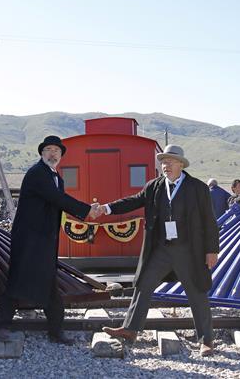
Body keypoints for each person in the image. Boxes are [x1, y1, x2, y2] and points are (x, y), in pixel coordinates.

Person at [90, 144, 220, 356]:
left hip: (189, 251)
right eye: (162, 162)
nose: (165, 165)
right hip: (161, 249)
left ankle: (206, 340)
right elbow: (132, 201)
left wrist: (212, 250)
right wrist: (106, 208)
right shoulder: (154, 186)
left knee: (197, 292)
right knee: (143, 284)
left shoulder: (197, 188)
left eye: (169, 161)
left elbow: (209, 221)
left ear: (180, 164)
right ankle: (130, 330)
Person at [0, 135, 92, 345]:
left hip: (45, 240)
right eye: (48, 149)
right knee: (17, 280)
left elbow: (56, 205)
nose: (52, 153)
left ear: (61, 155)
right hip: (29, 239)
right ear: (41, 153)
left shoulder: (56, 176)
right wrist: (87, 211)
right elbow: (58, 199)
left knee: (50, 285)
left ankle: (55, 332)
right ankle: (3, 326)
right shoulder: (37, 173)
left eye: (56, 150)